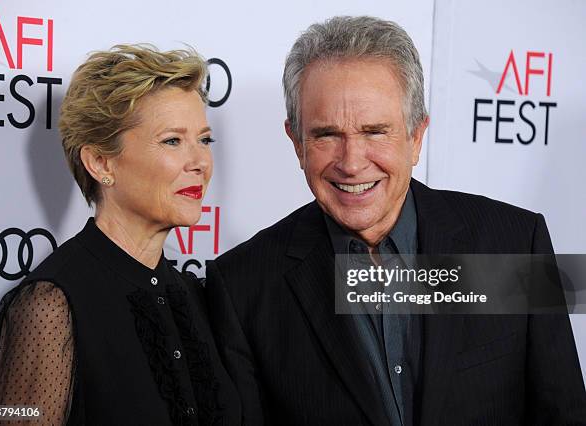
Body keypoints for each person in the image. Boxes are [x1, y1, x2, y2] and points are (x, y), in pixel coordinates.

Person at [205, 16, 586, 425]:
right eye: (326, 135)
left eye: (374, 132)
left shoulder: (513, 243)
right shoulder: (244, 286)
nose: (351, 163)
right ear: (296, 142)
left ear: (416, 136)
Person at [0, 44, 240, 425]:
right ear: (101, 162)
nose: (200, 162)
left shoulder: (194, 296)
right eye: (172, 140)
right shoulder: (48, 306)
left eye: (204, 140)